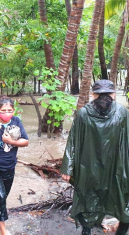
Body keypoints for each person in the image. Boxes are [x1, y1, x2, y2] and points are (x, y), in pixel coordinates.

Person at [61, 80, 129, 235]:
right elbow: (73, 140)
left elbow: (127, 139)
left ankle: (121, 230)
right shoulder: (84, 113)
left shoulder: (122, 112)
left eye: (108, 94)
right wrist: (68, 166)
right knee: (89, 198)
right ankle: (87, 230)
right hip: (90, 165)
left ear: (114, 94)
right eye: (101, 94)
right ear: (93, 95)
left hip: (116, 166)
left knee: (121, 199)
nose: (105, 98)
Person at [0, 97, 29, 235]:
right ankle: (2, 229)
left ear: (14, 110)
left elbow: (25, 141)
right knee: (0, 194)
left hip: (10, 166)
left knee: (3, 195)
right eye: (3, 110)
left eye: (9, 110)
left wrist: (10, 141)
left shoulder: (16, 121)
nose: (7, 113)